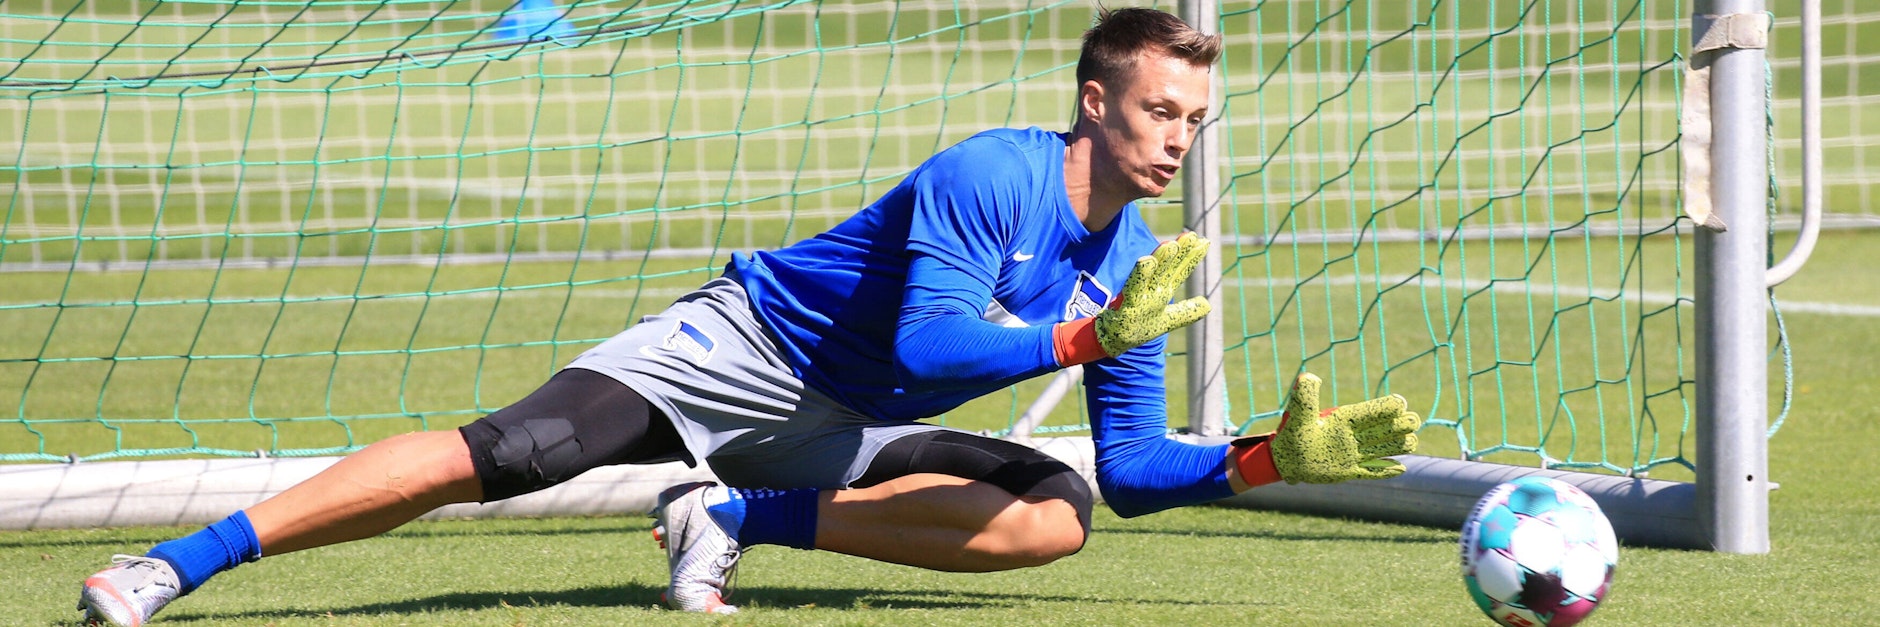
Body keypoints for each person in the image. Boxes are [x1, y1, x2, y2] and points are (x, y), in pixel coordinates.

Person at [76, 7, 1423, 624]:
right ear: (1094, 99)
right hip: (744, 350)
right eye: (1160, 110)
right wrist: (1085, 340)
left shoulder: (1131, 256)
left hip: (840, 431)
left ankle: (724, 520)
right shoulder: (989, 173)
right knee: (508, 456)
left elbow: (1129, 477)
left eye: (1197, 118)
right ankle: (174, 569)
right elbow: (931, 345)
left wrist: (1259, 462)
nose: (1180, 137)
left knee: (1050, 518)